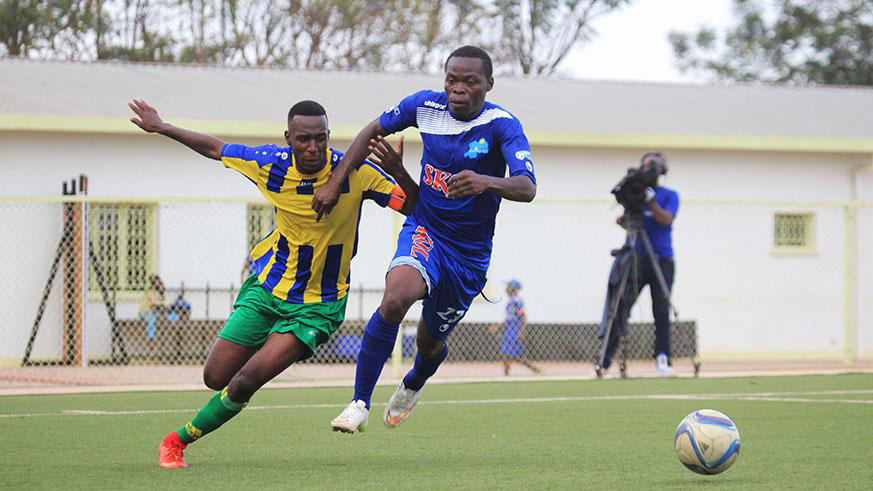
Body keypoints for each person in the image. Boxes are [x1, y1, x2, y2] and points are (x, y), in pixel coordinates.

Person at [128, 98, 415, 468]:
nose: (313, 147)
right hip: (267, 290)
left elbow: (414, 207)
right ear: (288, 138)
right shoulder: (270, 164)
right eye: (303, 139)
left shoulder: (356, 171)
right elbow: (215, 148)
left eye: (321, 138)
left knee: (246, 380)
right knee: (215, 377)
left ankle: (176, 441)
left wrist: (399, 172)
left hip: (317, 305)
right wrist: (161, 126)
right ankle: (261, 347)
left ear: (328, 136)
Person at [314, 45, 538, 433]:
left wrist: (486, 181)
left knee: (429, 343)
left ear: (488, 84)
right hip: (426, 229)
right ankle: (359, 403)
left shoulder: (502, 125)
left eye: (470, 81)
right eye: (452, 80)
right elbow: (371, 130)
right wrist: (336, 181)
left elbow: (527, 186)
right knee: (396, 297)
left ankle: (416, 379)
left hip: (468, 255)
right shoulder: (423, 106)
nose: (459, 88)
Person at [601, 152, 679, 377]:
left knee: (661, 309)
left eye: (653, 165)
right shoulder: (635, 192)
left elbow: (666, 219)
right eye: (645, 165)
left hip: (662, 260)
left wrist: (650, 202)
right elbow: (624, 222)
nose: (648, 169)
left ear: (662, 170)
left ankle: (663, 358)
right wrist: (631, 208)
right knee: (620, 305)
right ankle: (605, 359)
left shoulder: (670, 195)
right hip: (637, 259)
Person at [490, 279, 541, 376]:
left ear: (513, 288)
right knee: (506, 353)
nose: (506, 289)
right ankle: (506, 374)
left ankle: (534, 369)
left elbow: (523, 316)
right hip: (509, 330)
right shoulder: (510, 301)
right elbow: (508, 318)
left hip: (514, 330)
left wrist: (521, 331)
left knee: (514, 354)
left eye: (508, 287)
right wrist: (498, 326)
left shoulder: (517, 301)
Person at [139, 274, 166, 342]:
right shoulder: (150, 292)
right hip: (145, 312)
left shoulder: (160, 294)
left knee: (173, 317)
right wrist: (162, 308)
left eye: (159, 283)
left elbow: (163, 307)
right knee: (152, 318)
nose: (159, 285)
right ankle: (151, 337)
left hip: (155, 312)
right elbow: (154, 306)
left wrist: (163, 309)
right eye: (157, 283)